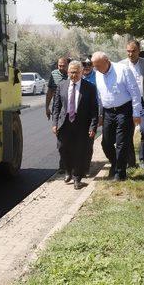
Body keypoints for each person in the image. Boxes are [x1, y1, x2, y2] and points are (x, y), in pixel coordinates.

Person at [91, 51, 142, 181]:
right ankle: (116, 162)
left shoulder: (122, 70)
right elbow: (100, 96)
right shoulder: (97, 74)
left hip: (124, 110)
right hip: (108, 112)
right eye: (94, 66)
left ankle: (120, 173)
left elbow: (135, 92)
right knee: (106, 143)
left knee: (121, 143)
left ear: (106, 61)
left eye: (98, 65)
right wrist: (101, 115)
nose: (96, 68)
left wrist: (136, 113)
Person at [52, 60, 99, 189]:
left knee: (80, 151)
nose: (74, 75)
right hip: (65, 123)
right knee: (63, 148)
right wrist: (55, 123)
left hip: (82, 124)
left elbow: (94, 109)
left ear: (82, 72)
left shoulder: (89, 87)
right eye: (72, 72)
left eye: (77, 72)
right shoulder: (61, 86)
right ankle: (68, 170)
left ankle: (77, 178)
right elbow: (56, 107)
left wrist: (93, 126)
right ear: (68, 72)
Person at [124, 40, 144, 169]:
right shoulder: (122, 65)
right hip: (128, 103)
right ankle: (131, 161)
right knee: (127, 132)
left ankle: (143, 159)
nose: (131, 54)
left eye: (133, 51)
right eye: (128, 51)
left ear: (139, 51)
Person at [46, 57, 69, 173]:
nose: (61, 68)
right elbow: (50, 91)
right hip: (58, 110)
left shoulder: (73, 74)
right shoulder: (54, 74)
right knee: (60, 139)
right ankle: (62, 164)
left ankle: (70, 163)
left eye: (63, 66)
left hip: (71, 110)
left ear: (68, 65)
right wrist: (47, 107)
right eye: (59, 65)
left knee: (71, 138)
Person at [82, 57, 96, 175]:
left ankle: (86, 167)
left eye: (89, 64)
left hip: (92, 113)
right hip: (78, 115)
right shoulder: (77, 76)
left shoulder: (98, 77)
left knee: (88, 141)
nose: (86, 66)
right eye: (84, 64)